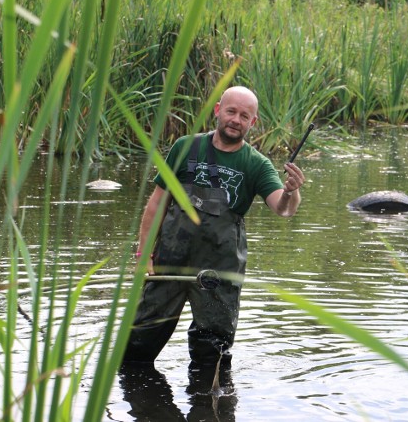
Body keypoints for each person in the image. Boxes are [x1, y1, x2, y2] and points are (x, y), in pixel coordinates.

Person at [122, 86, 304, 370]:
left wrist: (291, 191)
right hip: (170, 263)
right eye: (231, 111)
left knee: (212, 358)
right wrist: (144, 253)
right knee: (137, 348)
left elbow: (283, 209)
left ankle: (211, 409)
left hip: (218, 271)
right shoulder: (185, 147)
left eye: (245, 116)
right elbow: (157, 203)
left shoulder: (256, 165)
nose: (236, 119)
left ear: (252, 122)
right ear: (218, 110)